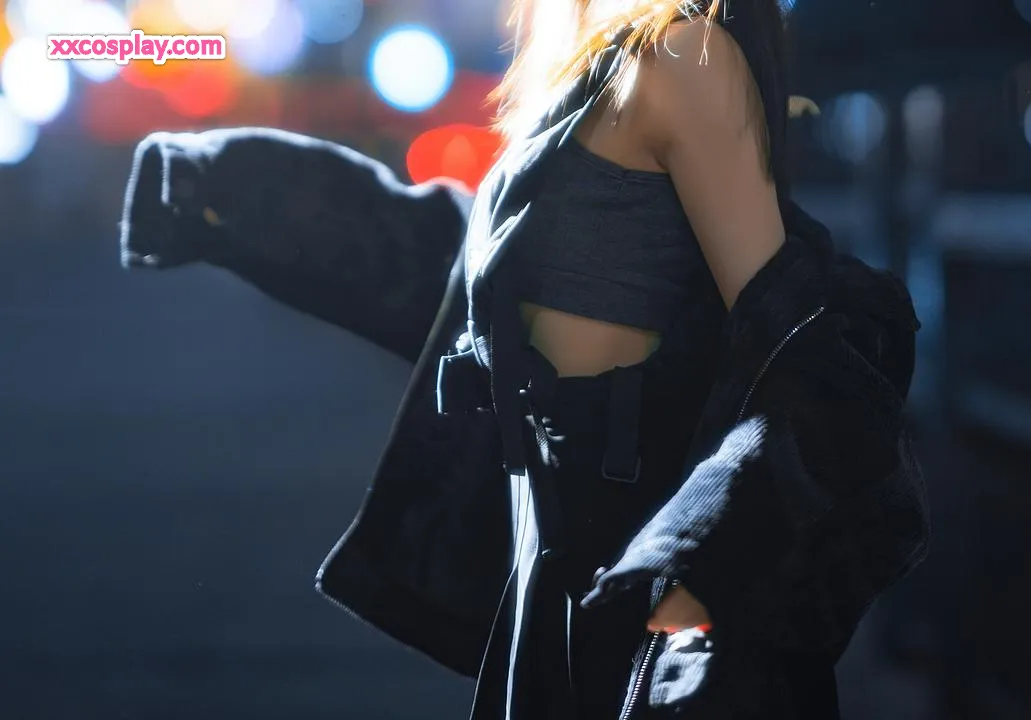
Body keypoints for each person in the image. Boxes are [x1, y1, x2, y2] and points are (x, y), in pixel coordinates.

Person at [119, 1, 930, 718]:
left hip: (639, 611)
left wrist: (699, 579)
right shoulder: (594, 65)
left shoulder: (686, 56)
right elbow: (490, 287)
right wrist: (237, 189)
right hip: (556, 592)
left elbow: (799, 344)